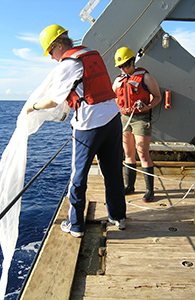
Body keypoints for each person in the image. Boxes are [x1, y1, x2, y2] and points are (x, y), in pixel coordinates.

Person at [27, 24, 126, 237]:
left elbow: (54, 101)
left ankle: (75, 225)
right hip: (113, 119)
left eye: (51, 52)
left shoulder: (68, 63)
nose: (52, 58)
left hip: (89, 126)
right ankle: (118, 217)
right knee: (113, 172)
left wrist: (32, 107)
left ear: (59, 45)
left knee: (78, 176)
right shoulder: (92, 54)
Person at [112, 47, 162, 202]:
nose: (123, 69)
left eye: (126, 65)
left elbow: (157, 97)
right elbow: (113, 97)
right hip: (124, 118)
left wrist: (147, 107)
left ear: (132, 62)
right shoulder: (118, 81)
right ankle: (130, 186)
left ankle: (149, 190)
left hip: (141, 119)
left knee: (143, 153)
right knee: (128, 153)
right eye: (120, 67)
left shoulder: (146, 78)